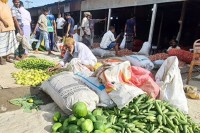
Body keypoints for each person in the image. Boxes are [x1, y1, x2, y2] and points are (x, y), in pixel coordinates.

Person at [0, 0, 18, 65]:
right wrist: (4, 21)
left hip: (10, 26)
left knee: (8, 44)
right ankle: (1, 59)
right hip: (3, 26)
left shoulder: (7, 4)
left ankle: (6, 58)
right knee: (2, 44)